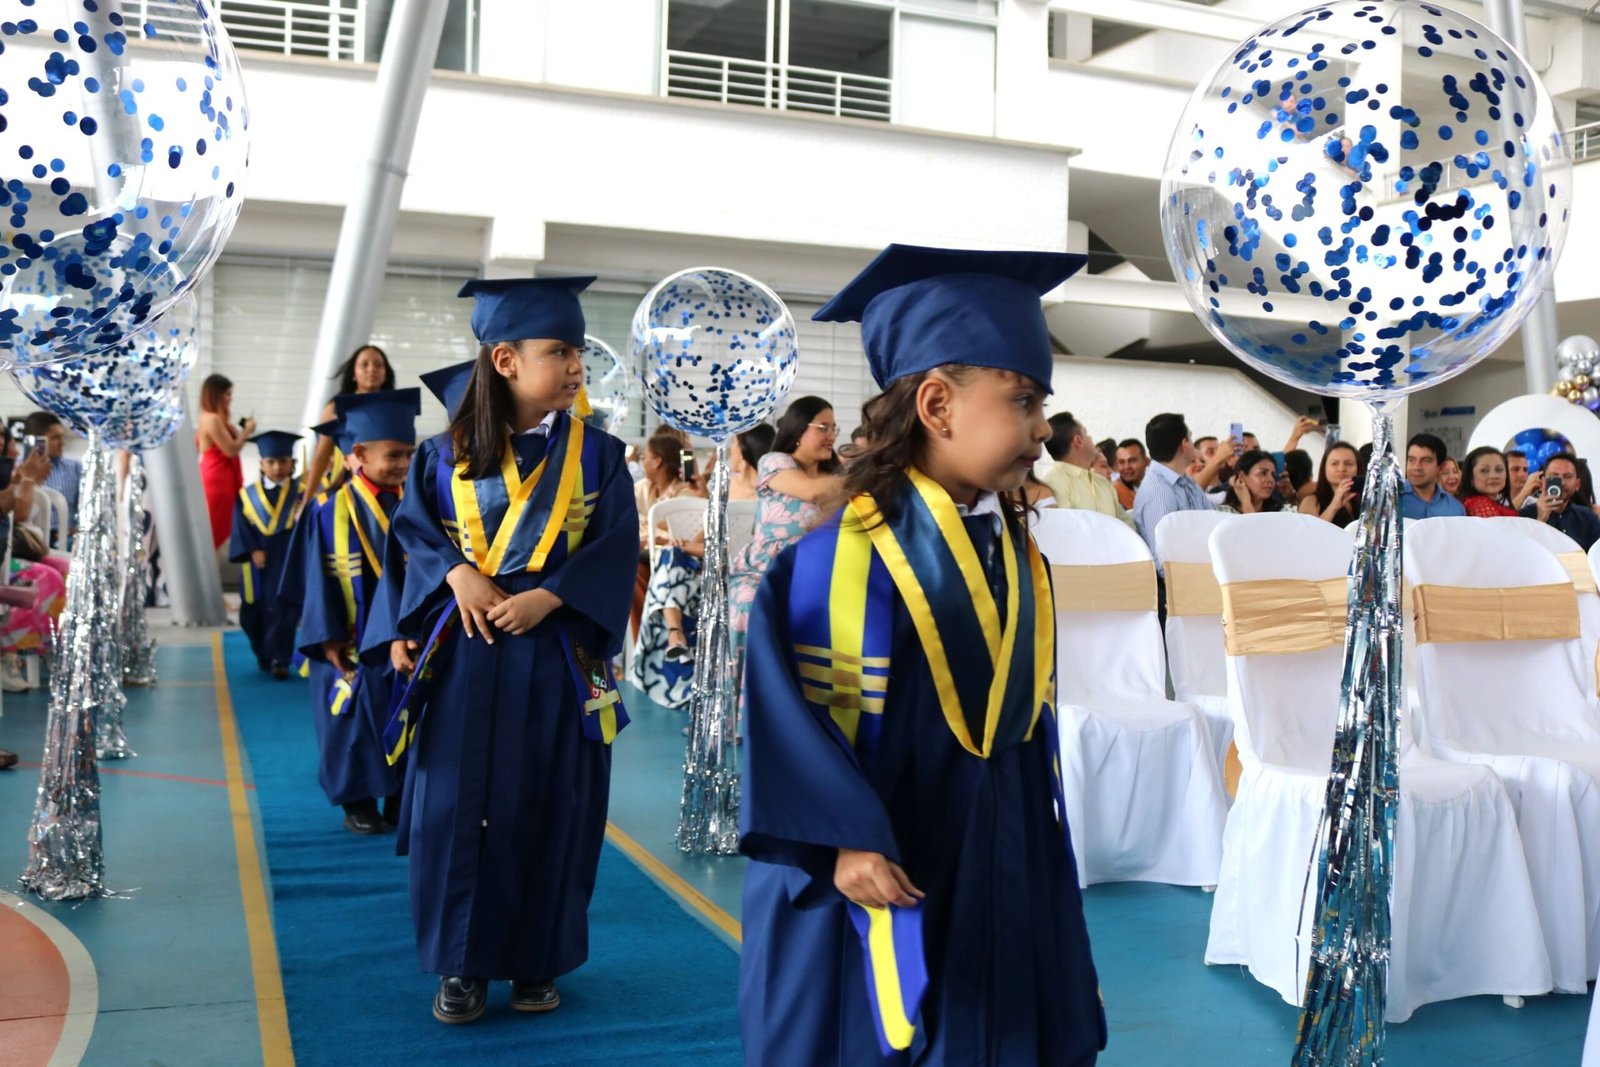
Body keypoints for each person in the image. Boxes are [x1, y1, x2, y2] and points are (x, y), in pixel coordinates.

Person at [741, 244, 1105, 1065]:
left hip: (1002, 842)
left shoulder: (1014, 549)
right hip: (885, 855)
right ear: (938, 404)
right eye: (1023, 400)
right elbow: (786, 723)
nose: (1042, 430)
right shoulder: (830, 564)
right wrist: (841, 838)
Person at [372, 276, 637, 1026]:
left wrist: (552, 596)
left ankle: (535, 958)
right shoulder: (441, 456)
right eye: (558, 351)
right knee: (456, 808)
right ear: (505, 360)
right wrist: (456, 573)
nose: (576, 364)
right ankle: (461, 962)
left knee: (555, 804)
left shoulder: (600, 457)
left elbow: (617, 545)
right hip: (469, 653)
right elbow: (413, 533)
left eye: (577, 350)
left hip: (557, 654)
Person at [289, 392, 418, 838]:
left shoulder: (416, 503)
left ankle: (401, 797)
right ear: (358, 453)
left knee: (408, 715)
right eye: (394, 455)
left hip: (405, 637)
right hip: (350, 638)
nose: (403, 464)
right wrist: (327, 637)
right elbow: (314, 578)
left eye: (409, 454)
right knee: (351, 724)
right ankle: (357, 801)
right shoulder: (329, 510)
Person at [728, 395, 845, 656]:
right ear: (798, 429)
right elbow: (812, 492)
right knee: (749, 604)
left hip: (818, 571)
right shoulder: (775, 462)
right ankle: (748, 681)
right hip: (765, 570)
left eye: (833, 429)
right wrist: (865, 476)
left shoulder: (836, 476)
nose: (831, 436)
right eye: (823, 428)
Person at [229, 432, 305, 679]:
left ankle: (281, 660)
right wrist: (252, 550)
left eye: (283, 461)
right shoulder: (247, 496)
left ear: (292, 463)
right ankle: (263, 652)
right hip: (258, 564)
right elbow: (241, 527)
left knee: (285, 612)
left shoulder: (302, 494)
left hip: (289, 562)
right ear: (261, 464)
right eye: (271, 462)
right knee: (251, 616)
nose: (277, 467)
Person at [299, 344, 395, 514]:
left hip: (386, 490)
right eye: (364, 365)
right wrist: (306, 501)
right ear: (353, 373)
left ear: (385, 372)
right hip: (343, 486)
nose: (372, 369)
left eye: (378, 365)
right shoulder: (336, 408)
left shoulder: (395, 407)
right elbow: (322, 456)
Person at [1133, 412, 1217, 568]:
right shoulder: (1159, 492)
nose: (1193, 446)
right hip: (1182, 578)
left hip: (1201, 569)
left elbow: (1213, 521)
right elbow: (1164, 564)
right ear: (1184, 444)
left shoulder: (1186, 482)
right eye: (1191, 438)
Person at [1037, 411, 1134, 530]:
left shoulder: (1102, 483)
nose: (1091, 438)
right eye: (1086, 434)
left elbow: (1128, 526)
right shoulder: (1053, 484)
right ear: (1078, 440)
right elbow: (1065, 533)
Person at [196, 375, 255, 549]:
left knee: (219, 525)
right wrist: (247, 432)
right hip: (217, 477)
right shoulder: (212, 418)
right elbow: (231, 450)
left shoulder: (212, 418)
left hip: (220, 474)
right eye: (227, 394)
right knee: (215, 527)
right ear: (217, 395)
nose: (230, 399)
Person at [22, 411, 84, 541]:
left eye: (63, 437)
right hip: (27, 538)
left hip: (64, 538)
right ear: (37, 441)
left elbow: (84, 506)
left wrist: (78, 528)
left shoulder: (75, 468)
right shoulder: (17, 469)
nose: (62, 443)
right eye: (55, 438)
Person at [1522, 452, 1600, 550]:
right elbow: (1523, 552)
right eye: (1554, 476)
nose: (1561, 483)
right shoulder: (1525, 515)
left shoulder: (1587, 517)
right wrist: (1541, 519)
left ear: (1577, 484)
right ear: (1543, 481)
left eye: (1568, 476)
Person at [1399, 432, 1466, 520]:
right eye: (1411, 460)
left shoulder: (1455, 510)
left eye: (1426, 461)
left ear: (1441, 467)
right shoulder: (1392, 501)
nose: (1417, 467)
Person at [1300, 442, 1362, 526]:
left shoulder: (1363, 501)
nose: (1341, 469)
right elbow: (1311, 532)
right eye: (1334, 463)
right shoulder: (1312, 501)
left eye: (1348, 464)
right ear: (1324, 467)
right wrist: (1334, 506)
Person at [1219, 449, 1296, 514]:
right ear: (1242, 477)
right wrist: (1245, 501)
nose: (1271, 480)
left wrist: (1246, 502)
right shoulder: (1224, 513)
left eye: (1273, 475)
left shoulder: (1282, 512)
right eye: (1263, 473)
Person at [1459, 447, 1521, 518]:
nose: (1494, 476)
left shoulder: (1494, 503)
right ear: (1471, 478)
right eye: (1484, 471)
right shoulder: (1479, 504)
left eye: (1499, 469)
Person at [731, 424, 776, 502]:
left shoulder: (732, 489)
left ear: (741, 451)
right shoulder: (776, 493)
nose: (731, 448)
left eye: (734, 442)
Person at [1114, 438, 1148, 510]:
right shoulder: (1116, 491)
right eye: (1122, 462)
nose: (1126, 467)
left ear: (1146, 461)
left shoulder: (1159, 486)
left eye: (1132, 461)